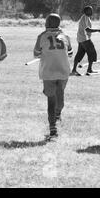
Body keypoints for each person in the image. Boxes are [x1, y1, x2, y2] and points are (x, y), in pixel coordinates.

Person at [33, 13, 73, 141]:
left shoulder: (42, 36)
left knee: (51, 101)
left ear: (48, 23)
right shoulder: (66, 36)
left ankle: (53, 128)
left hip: (49, 72)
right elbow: (70, 54)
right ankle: (57, 116)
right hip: (63, 71)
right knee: (60, 97)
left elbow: (36, 54)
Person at [71, 6, 100, 76]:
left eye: (91, 10)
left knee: (80, 53)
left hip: (81, 39)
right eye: (90, 11)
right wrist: (98, 30)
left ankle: (74, 70)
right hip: (85, 39)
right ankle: (89, 69)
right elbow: (87, 30)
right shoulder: (84, 18)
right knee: (91, 52)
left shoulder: (86, 17)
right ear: (85, 11)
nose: (91, 12)